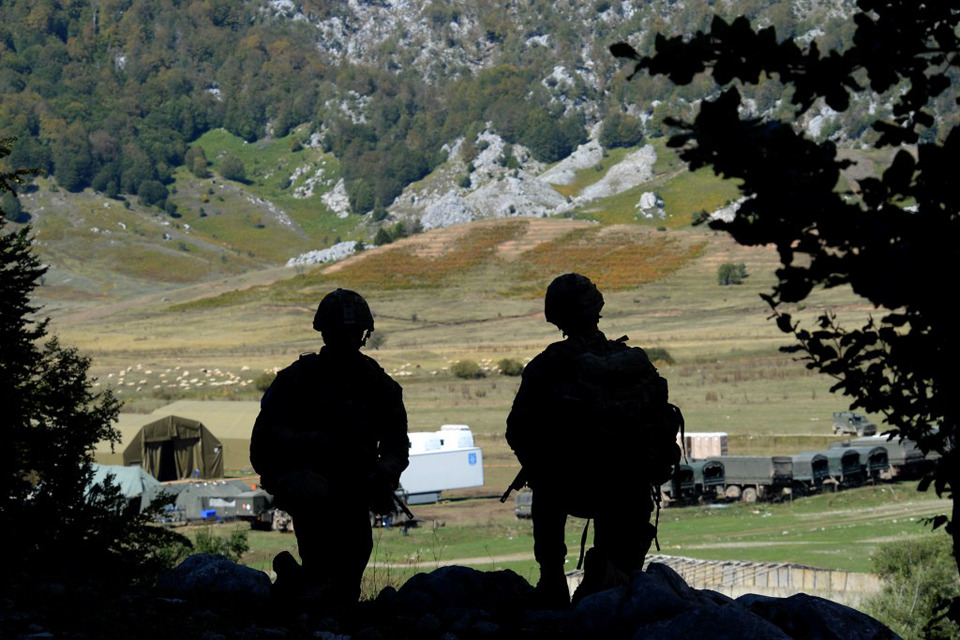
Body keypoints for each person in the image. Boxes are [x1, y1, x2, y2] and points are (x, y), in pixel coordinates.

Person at [506, 273, 664, 608]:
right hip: (629, 488)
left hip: (568, 485)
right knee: (617, 574)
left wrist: (539, 465)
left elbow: (516, 429)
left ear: (556, 316)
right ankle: (606, 584)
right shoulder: (633, 362)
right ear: (597, 309)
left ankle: (552, 580)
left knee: (545, 492)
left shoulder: (549, 365)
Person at [250, 288, 409, 608]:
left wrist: (384, 472)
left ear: (363, 335)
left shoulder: (378, 384)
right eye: (340, 333)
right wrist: (310, 447)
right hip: (306, 484)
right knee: (321, 550)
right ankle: (308, 590)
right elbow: (262, 443)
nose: (347, 341)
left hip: (354, 485)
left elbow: (396, 443)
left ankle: (317, 595)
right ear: (325, 334)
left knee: (353, 559)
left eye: (353, 334)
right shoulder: (296, 381)